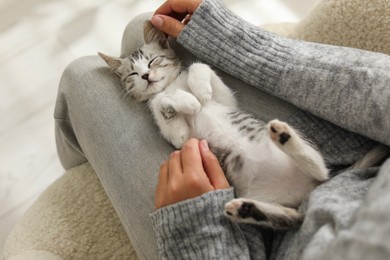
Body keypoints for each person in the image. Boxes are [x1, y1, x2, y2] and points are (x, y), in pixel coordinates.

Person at [55, 0, 390, 259]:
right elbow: (183, 132)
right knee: (136, 29)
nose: (146, 76)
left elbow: (182, 136)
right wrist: (240, 44)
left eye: (153, 66)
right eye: (135, 77)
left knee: (81, 76)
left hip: (270, 231)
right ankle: (88, 164)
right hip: (347, 172)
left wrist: (197, 226)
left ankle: (82, 164)